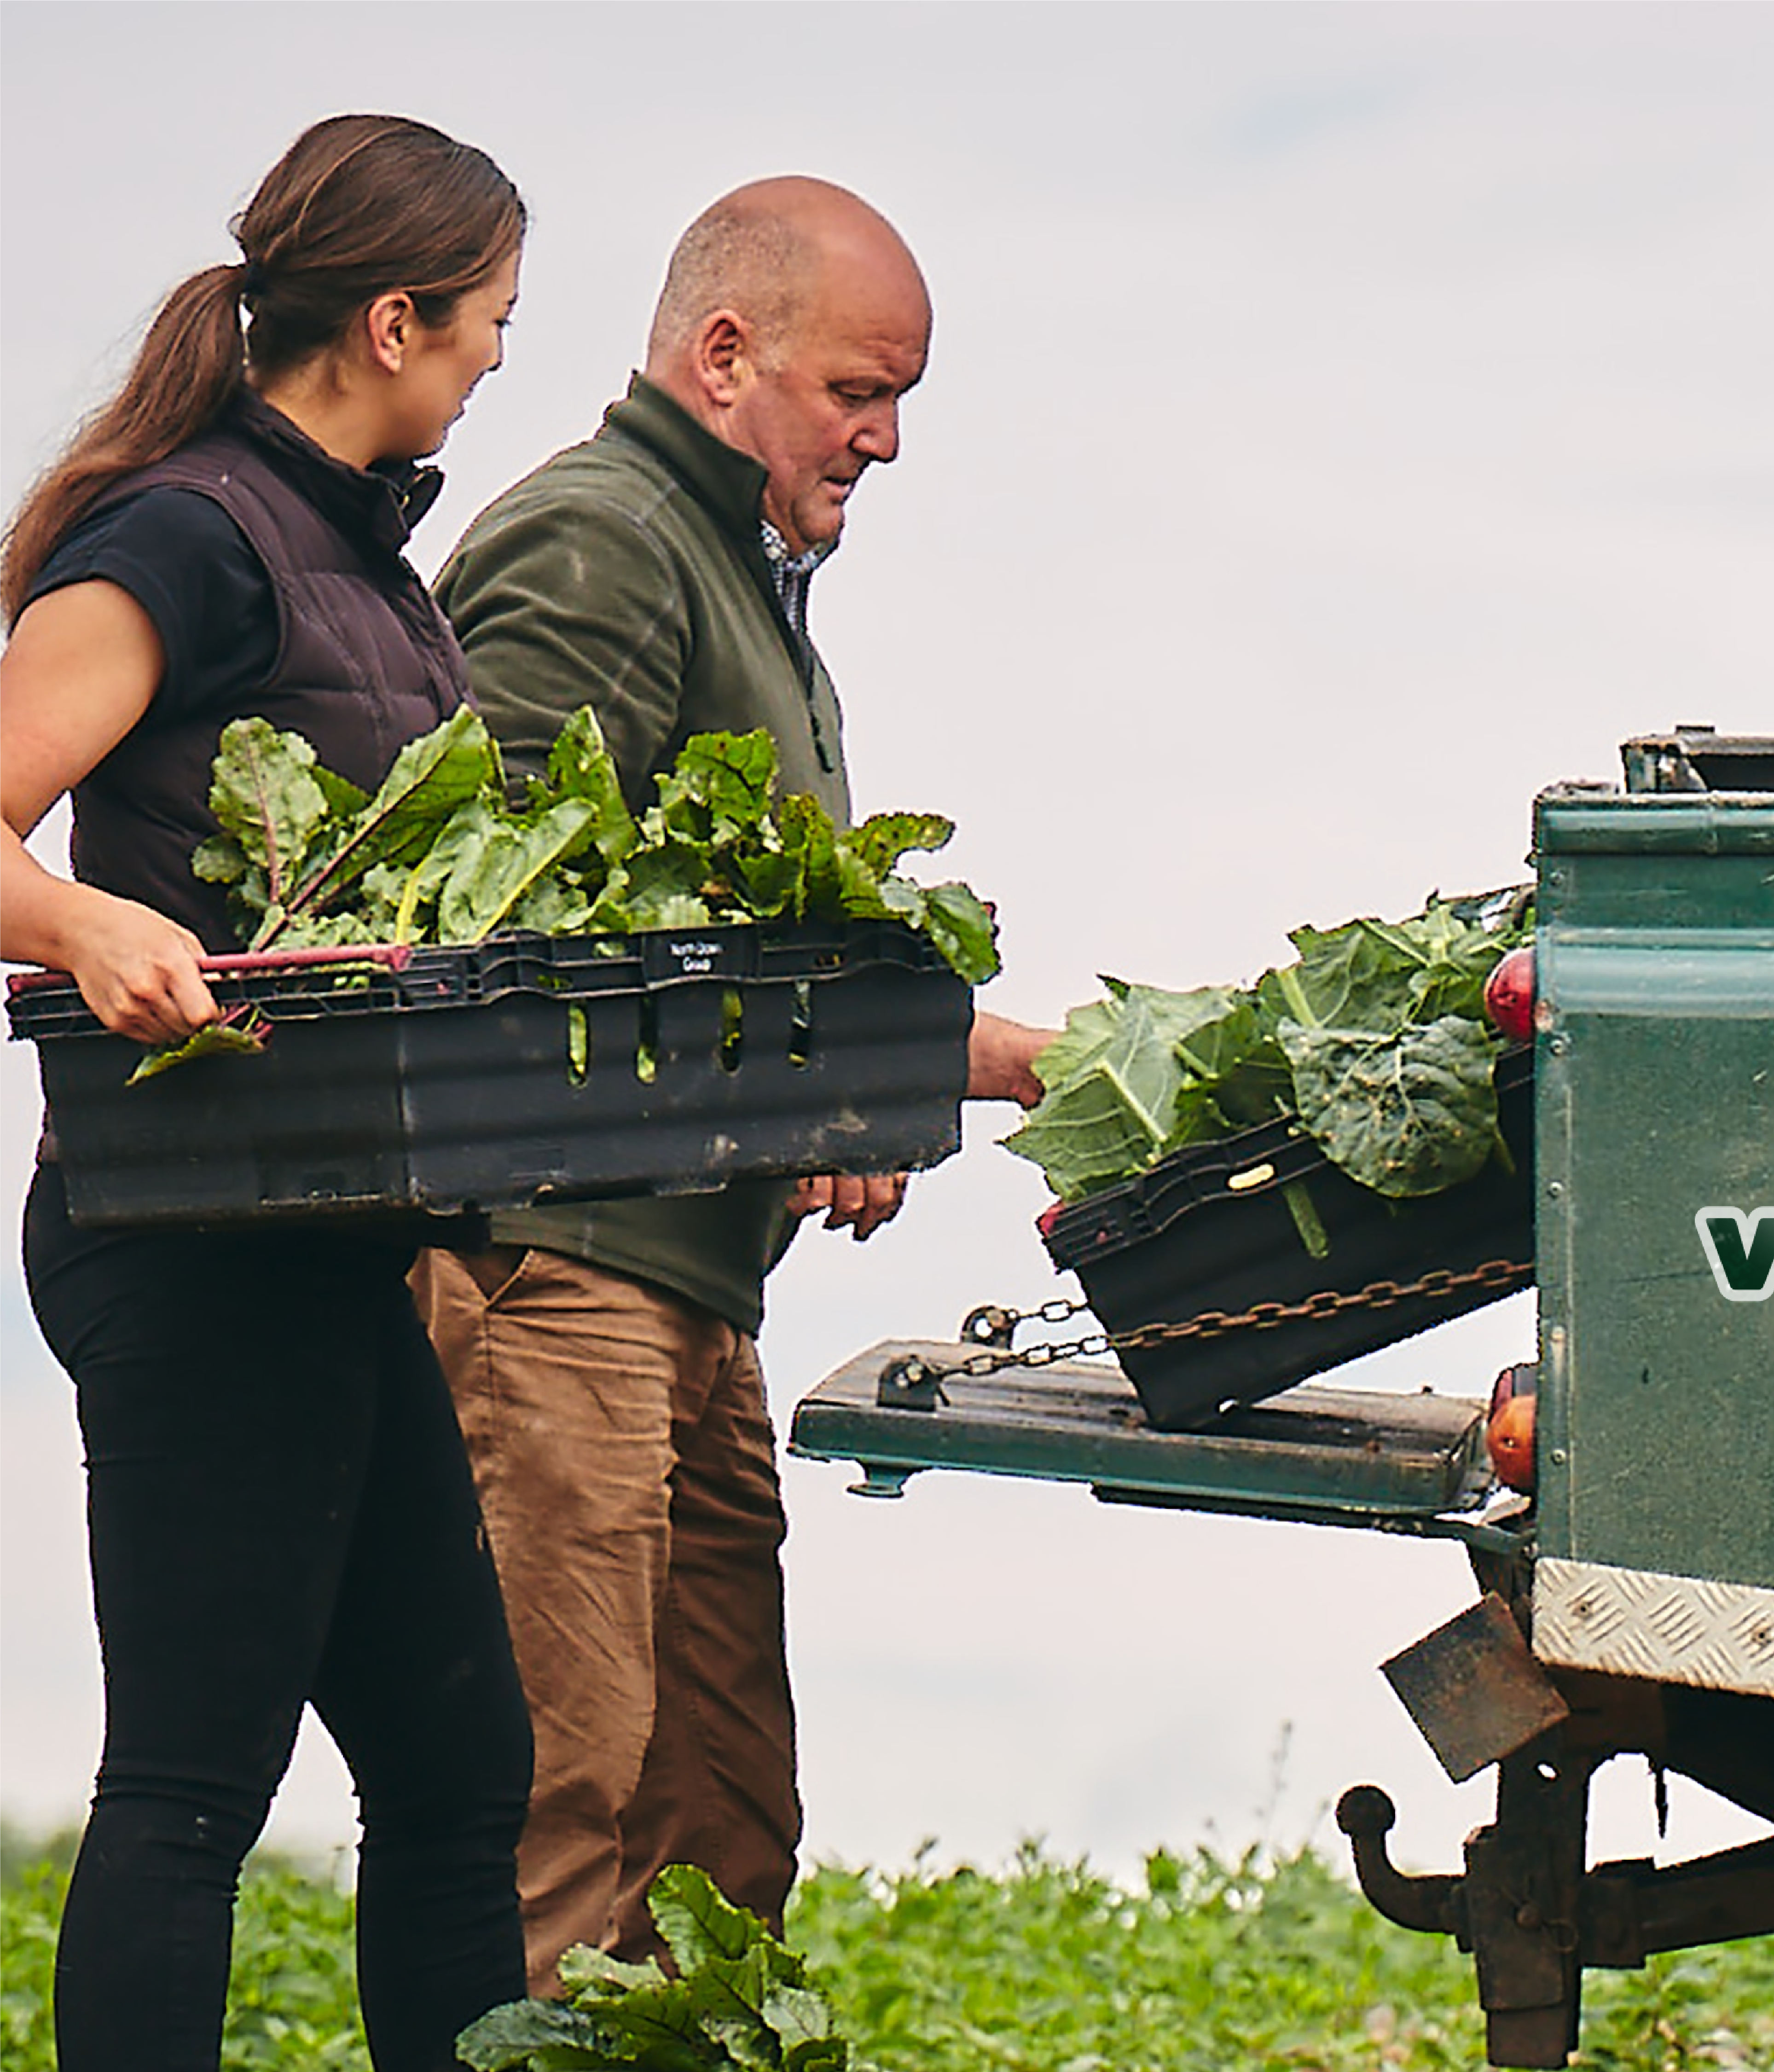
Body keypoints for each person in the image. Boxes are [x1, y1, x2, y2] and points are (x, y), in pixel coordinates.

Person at [412, 175, 1049, 1991]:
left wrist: (809, 1113)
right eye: (861, 389)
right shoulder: (604, 546)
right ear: (722, 352)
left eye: (901, 396)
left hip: (684, 1289)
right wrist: (918, 1064)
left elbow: (711, 944)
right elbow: (505, 940)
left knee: (716, 1831)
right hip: (558, 1280)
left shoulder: (743, 584)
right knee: (558, 1809)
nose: (889, 437)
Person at [0, 114, 535, 2071]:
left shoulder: (365, 567)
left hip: (311, 1242)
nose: (491, 363)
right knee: (191, 1788)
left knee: (467, 1765)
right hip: (186, 1235)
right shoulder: (189, 537)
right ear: (392, 319)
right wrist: (74, 927)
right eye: (487, 323)